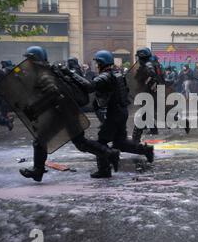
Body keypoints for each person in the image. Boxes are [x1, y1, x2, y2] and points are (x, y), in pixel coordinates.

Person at [19, 46, 120, 182]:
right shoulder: (46, 71)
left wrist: (36, 108)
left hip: (62, 112)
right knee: (81, 143)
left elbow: (52, 94)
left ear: (35, 59)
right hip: (66, 111)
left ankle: (38, 170)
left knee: (40, 141)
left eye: (29, 59)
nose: (27, 62)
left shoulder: (44, 74)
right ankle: (110, 153)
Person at [64, 50, 155, 178]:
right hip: (121, 111)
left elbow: (89, 86)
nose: (96, 65)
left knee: (101, 143)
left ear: (102, 63)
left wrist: (70, 74)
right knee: (120, 142)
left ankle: (104, 170)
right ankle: (145, 150)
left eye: (97, 63)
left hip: (114, 113)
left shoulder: (106, 76)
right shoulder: (117, 74)